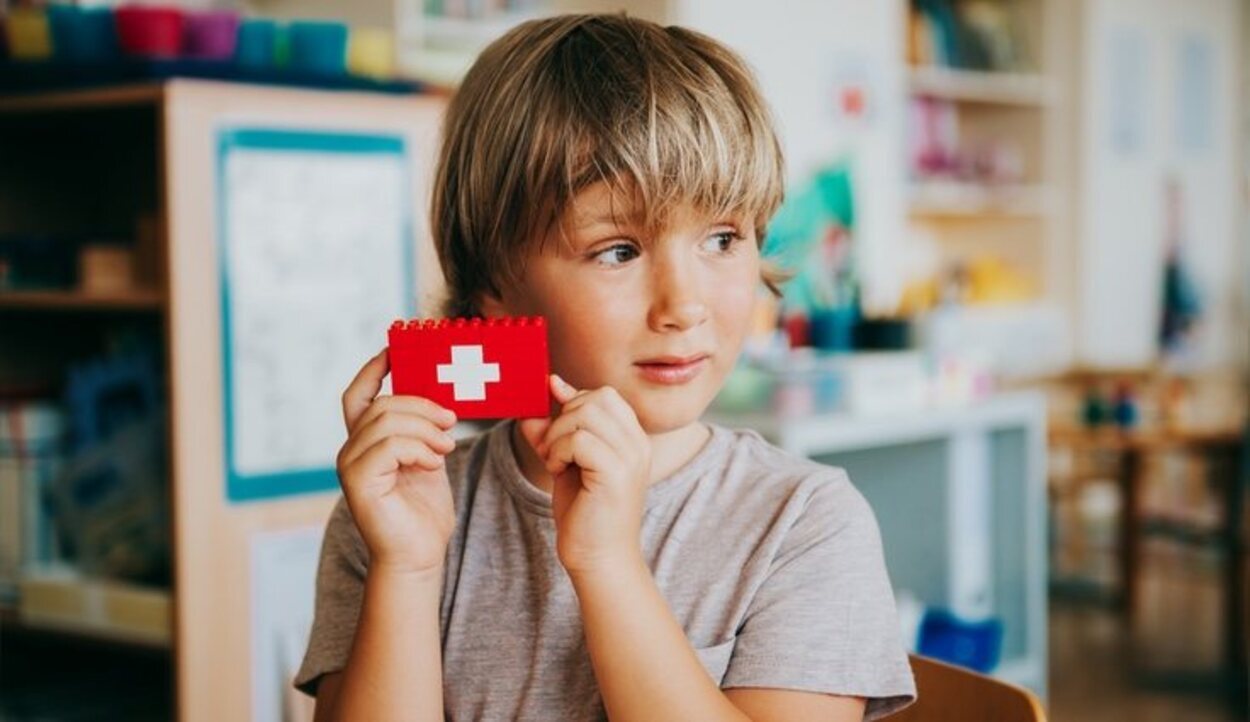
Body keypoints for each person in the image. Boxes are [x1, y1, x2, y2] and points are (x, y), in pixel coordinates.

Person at [296, 13, 916, 721]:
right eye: (619, 251)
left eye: (722, 238)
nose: (684, 306)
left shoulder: (805, 523)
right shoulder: (394, 515)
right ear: (494, 288)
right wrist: (406, 569)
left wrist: (609, 566)